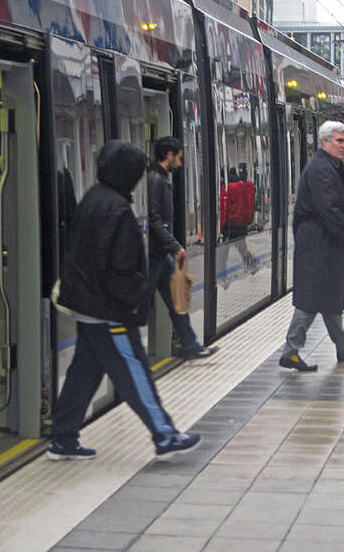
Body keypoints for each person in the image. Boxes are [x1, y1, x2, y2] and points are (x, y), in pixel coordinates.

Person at [48, 140, 201, 460]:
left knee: (83, 373)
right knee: (134, 370)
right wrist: (139, 296)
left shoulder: (93, 198)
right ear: (127, 174)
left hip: (88, 305)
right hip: (109, 310)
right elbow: (121, 268)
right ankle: (165, 434)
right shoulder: (117, 209)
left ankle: (62, 438)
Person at [280, 121, 344, 372]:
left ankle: (343, 344)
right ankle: (291, 350)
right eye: (339, 141)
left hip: (321, 241)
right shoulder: (321, 169)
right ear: (324, 142)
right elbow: (328, 209)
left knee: (328, 293)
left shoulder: (326, 166)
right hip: (318, 243)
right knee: (312, 296)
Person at [148, 136, 218, 359]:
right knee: (139, 303)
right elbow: (154, 219)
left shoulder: (160, 179)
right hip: (154, 255)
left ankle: (191, 345)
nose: (179, 163)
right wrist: (174, 246)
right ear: (169, 155)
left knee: (178, 300)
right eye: (178, 158)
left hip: (161, 254)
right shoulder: (156, 181)